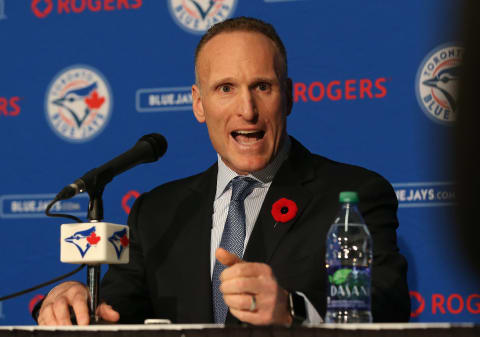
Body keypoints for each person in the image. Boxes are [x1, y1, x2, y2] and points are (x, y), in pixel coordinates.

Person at [35, 17, 410, 326]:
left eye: (262, 86)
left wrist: (291, 310)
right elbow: (118, 310)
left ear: (289, 96)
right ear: (199, 104)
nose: (247, 110)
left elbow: (388, 306)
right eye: (225, 88)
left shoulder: (354, 193)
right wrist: (77, 303)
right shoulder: (157, 212)